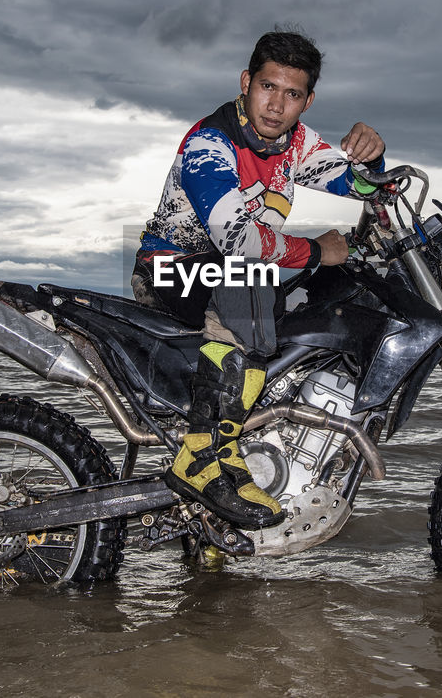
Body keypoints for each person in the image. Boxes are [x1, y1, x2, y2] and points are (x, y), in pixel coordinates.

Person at [132, 29, 385, 530]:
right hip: (167, 271)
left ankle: (246, 450)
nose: (277, 105)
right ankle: (203, 459)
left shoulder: (295, 144)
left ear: (307, 101)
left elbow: (355, 183)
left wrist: (372, 158)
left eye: (292, 94)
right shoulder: (210, 144)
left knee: (294, 299)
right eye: (268, 87)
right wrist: (318, 251)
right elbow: (237, 241)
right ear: (247, 82)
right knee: (251, 283)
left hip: (223, 276)